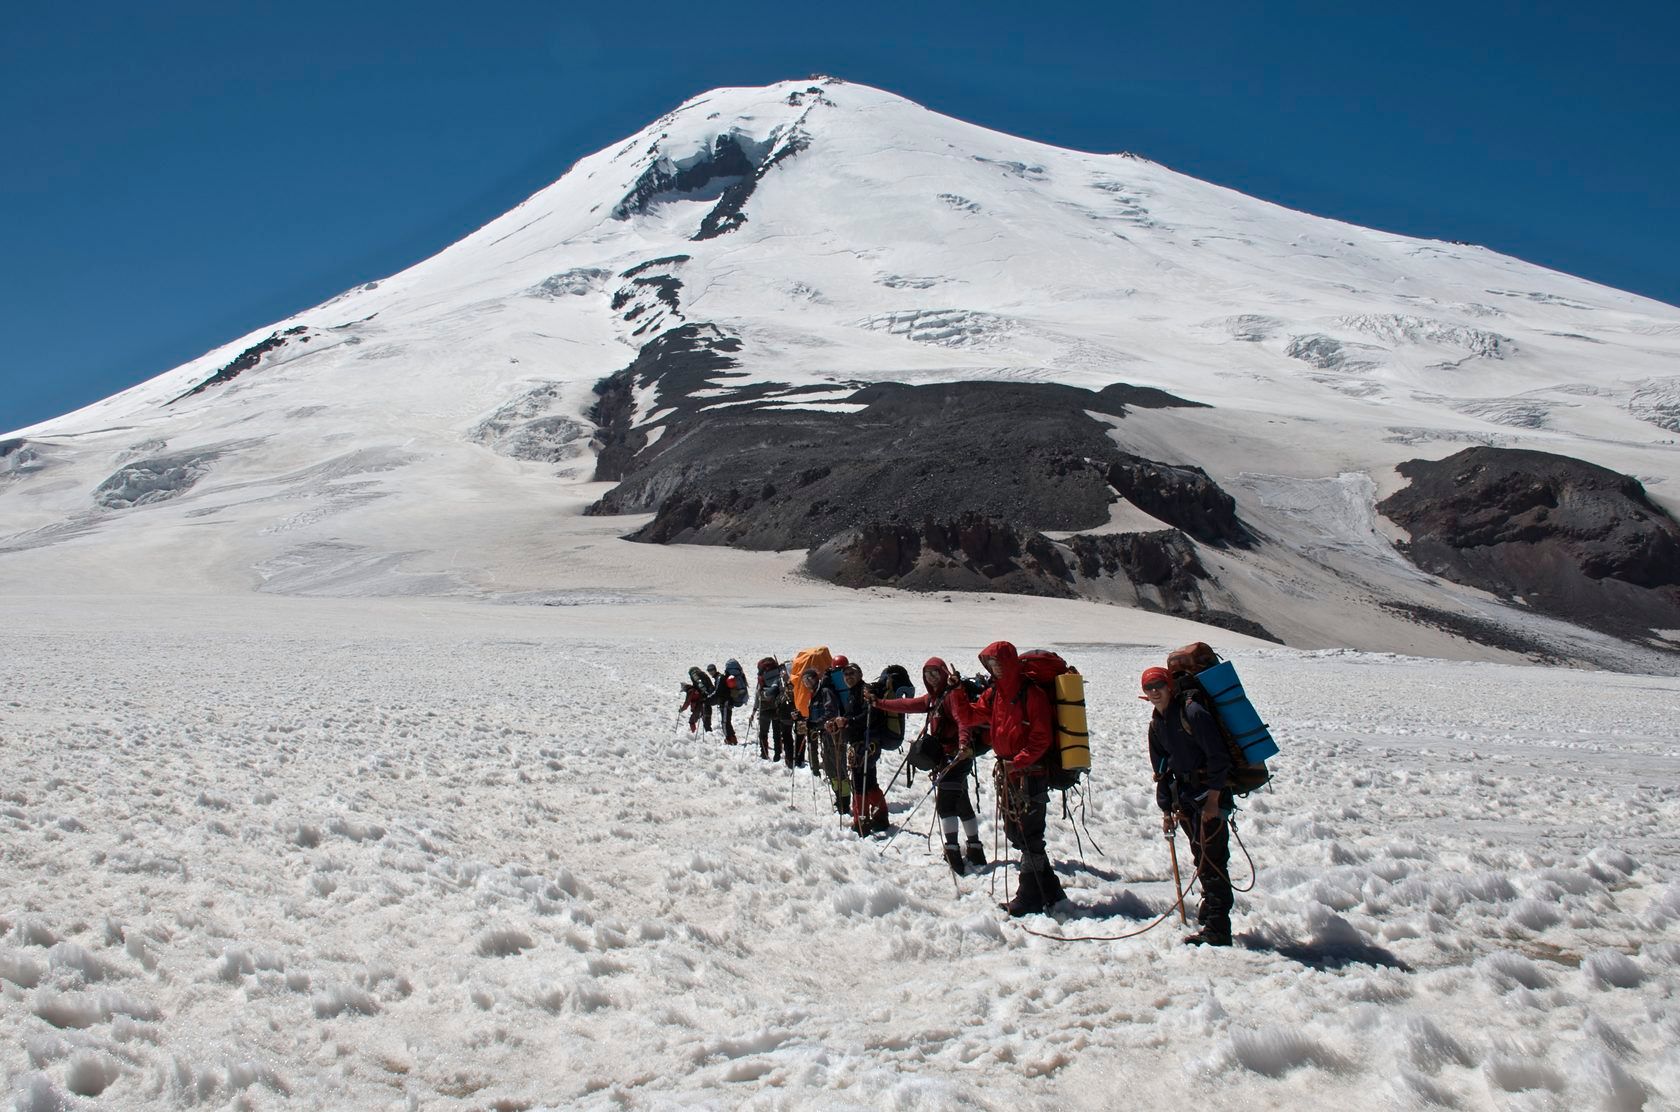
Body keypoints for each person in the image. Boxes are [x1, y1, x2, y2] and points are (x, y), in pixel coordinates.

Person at [961, 641, 1065, 916]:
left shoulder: (1031, 694)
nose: (994, 669)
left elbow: (1041, 737)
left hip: (1029, 774)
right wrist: (957, 695)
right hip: (1012, 772)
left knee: (1028, 834)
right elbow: (972, 715)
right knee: (1017, 832)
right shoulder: (995, 694)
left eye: (997, 664)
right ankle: (1050, 889)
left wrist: (1017, 763)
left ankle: (1029, 895)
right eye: (990, 664)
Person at [1142, 665, 1233, 947]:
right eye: (1149, 688)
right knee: (1202, 856)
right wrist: (1166, 810)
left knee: (1213, 860)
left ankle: (1219, 928)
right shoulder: (1158, 722)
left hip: (1208, 797)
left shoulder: (1192, 713)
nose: (1154, 692)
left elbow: (1219, 758)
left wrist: (1214, 800)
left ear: (1170, 685)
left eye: (1159, 685)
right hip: (1186, 799)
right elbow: (1162, 769)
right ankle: (1211, 916)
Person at [870, 658, 984, 872]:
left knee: (946, 806)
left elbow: (963, 721)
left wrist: (962, 745)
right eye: (928, 674)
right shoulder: (934, 698)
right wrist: (880, 703)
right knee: (961, 803)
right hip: (952, 757)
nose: (931, 678)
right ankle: (975, 850)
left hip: (955, 758)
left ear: (943, 673)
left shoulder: (952, 695)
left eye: (935, 673)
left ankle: (952, 853)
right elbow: (906, 705)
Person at [832, 662, 888, 835]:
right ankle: (880, 818)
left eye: (851, 673)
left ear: (860, 674)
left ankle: (860, 822)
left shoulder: (864, 692)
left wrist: (848, 722)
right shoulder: (854, 692)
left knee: (859, 783)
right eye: (845, 674)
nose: (848, 677)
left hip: (865, 745)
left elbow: (868, 716)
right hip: (865, 745)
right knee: (869, 782)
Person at [804, 666, 850, 814]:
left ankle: (845, 802)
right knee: (831, 769)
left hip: (835, 734)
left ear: (815, 679)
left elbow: (831, 713)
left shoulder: (825, 692)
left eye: (809, 680)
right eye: (805, 682)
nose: (807, 684)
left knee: (839, 768)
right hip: (826, 735)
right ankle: (839, 798)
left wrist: (814, 724)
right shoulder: (816, 694)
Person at [755, 657, 795, 765]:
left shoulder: (761, 678)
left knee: (763, 732)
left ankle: (764, 753)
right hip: (777, 708)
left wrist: (755, 709)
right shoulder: (778, 678)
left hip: (764, 708)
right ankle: (777, 754)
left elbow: (757, 694)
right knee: (777, 733)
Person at [707, 663, 739, 745]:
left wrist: (708, 698)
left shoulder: (719, 678)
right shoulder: (719, 678)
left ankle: (728, 738)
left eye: (711, 670)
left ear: (715, 669)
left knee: (724, 722)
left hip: (725, 702)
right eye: (709, 670)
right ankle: (732, 738)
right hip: (726, 702)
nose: (710, 672)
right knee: (727, 721)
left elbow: (717, 691)